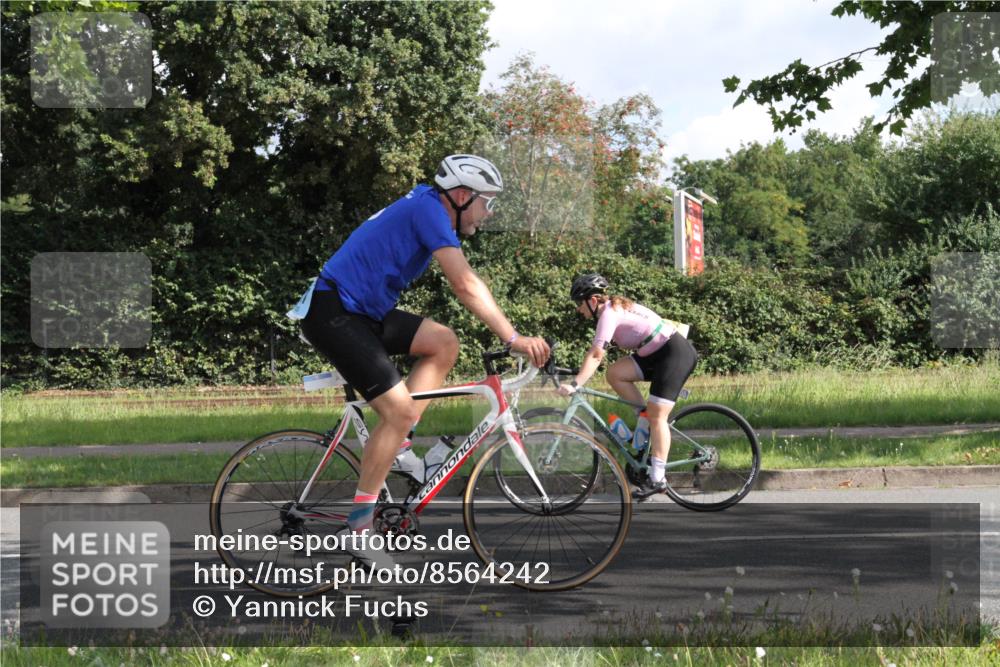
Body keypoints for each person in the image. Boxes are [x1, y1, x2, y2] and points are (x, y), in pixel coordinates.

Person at [299, 154, 550, 568]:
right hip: (334, 313)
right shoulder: (429, 210)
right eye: (488, 203)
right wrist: (514, 338)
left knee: (443, 343)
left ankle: (397, 445)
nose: (488, 214)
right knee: (396, 412)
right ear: (463, 196)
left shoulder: (426, 204)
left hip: (361, 312)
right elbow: (465, 283)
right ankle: (359, 529)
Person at [557, 274, 698, 499]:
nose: (578, 309)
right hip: (653, 353)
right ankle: (643, 424)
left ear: (593, 301)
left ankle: (658, 478)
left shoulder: (609, 314)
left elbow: (596, 355)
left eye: (579, 303)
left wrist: (575, 384)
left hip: (674, 354)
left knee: (657, 416)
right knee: (615, 373)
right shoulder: (613, 308)